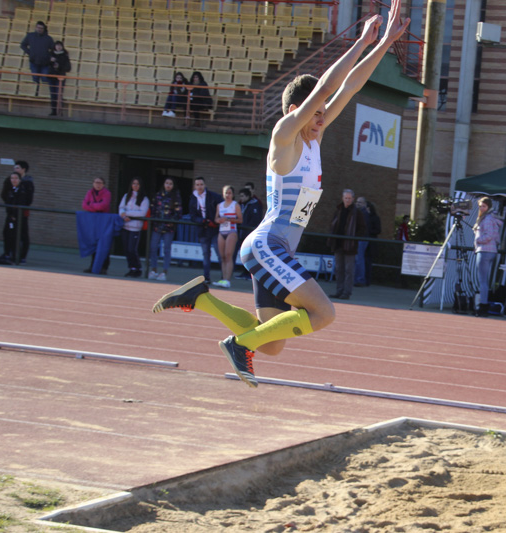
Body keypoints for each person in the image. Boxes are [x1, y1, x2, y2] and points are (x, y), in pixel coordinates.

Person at [152, 3, 410, 388]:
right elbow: (325, 86)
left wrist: (386, 42)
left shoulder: (313, 138)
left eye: (324, 113)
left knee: (271, 344)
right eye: (316, 113)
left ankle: (202, 298)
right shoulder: (285, 136)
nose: (323, 118)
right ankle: (239, 346)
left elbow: (349, 87)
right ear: (296, 110)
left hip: (277, 250)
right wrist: (359, 42)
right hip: (267, 246)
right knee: (323, 314)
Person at [328, 189, 366, 300]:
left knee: (349, 270)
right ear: (342, 198)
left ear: (353, 199)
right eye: (346, 198)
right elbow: (332, 224)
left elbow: (362, 228)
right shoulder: (338, 210)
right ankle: (339, 290)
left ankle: (346, 292)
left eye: (349, 198)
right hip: (338, 244)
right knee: (339, 269)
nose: (348, 200)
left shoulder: (357, 212)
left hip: (350, 246)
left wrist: (353, 239)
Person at [188, 176, 222, 284]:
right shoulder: (193, 198)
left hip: (215, 229)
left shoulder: (214, 196)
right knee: (206, 254)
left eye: (201, 184)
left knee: (219, 252)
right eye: (197, 185)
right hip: (202, 230)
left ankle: (224, 277)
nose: (199, 187)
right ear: (195, 186)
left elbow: (222, 206)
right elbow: (192, 216)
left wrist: (216, 220)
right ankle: (206, 277)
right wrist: (203, 221)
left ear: (205, 185)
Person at [472, 197, 502, 317]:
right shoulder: (491, 218)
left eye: (484, 206)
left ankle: (483, 305)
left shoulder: (487, 219)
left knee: (483, 280)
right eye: (480, 206)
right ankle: (483, 304)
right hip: (490, 250)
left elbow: (489, 235)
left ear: (488, 206)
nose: (481, 208)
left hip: (484, 250)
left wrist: (478, 240)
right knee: (484, 280)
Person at [148, 177, 182, 281]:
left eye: (170, 184)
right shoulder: (158, 195)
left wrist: (172, 221)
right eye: (166, 183)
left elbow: (179, 212)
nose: (168, 185)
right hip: (157, 226)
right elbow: (153, 208)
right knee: (153, 247)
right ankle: (153, 270)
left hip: (169, 228)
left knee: (167, 249)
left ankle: (164, 272)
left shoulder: (176, 196)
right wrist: (154, 220)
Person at [0, 172, 30, 264]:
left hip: (17, 218)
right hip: (10, 216)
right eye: (12, 178)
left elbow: (21, 204)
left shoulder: (22, 191)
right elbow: (7, 202)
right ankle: (7, 254)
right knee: (7, 234)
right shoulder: (10, 190)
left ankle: (16, 256)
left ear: (20, 180)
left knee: (16, 236)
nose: (14, 180)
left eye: (16, 178)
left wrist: (14, 216)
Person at [2, 160, 34, 263]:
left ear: (23, 170)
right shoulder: (9, 180)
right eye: (14, 168)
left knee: (22, 234)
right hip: (11, 212)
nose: (15, 170)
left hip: (22, 213)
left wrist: (18, 207)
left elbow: (28, 200)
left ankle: (21, 256)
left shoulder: (27, 184)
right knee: (8, 232)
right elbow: (4, 194)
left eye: (17, 168)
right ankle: (8, 253)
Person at [118, 177, 149, 278]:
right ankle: (131, 268)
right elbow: (121, 208)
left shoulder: (144, 199)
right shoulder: (126, 196)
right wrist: (123, 214)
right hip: (125, 226)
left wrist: (127, 214)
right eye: (134, 184)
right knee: (126, 249)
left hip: (135, 228)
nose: (135, 186)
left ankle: (138, 268)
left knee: (132, 249)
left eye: (137, 184)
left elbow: (142, 213)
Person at [213, 185, 242, 288]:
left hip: (231, 231)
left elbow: (240, 220)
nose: (228, 195)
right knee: (222, 256)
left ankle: (227, 280)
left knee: (228, 255)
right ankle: (223, 279)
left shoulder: (235, 205)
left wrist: (228, 219)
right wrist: (219, 220)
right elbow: (216, 218)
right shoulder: (219, 205)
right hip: (222, 231)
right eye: (226, 193)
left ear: (233, 194)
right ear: (223, 194)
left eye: (230, 193)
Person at [82, 177, 112, 274]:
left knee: (103, 244)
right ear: (93, 183)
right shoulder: (89, 192)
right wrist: (95, 206)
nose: (98, 184)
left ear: (103, 184)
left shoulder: (107, 193)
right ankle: (93, 266)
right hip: (93, 222)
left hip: (103, 222)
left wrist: (91, 205)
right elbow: (84, 205)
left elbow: (103, 206)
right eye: (96, 182)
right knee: (93, 244)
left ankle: (104, 267)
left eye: (100, 183)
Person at [234, 187, 262, 280]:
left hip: (249, 234)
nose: (241, 198)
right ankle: (243, 272)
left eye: (242, 196)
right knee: (242, 255)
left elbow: (255, 220)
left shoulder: (254, 205)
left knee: (249, 255)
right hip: (241, 234)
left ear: (247, 196)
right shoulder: (241, 205)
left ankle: (249, 274)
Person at [20, 21, 54, 97]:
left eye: (41, 28)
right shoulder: (30, 36)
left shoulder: (48, 39)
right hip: (33, 62)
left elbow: (53, 49)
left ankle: (45, 94)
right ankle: (36, 94)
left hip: (45, 63)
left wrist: (48, 56)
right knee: (35, 79)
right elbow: (23, 45)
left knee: (45, 78)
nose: (39, 29)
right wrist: (30, 52)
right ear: (35, 27)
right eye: (38, 27)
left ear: (44, 29)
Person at [47, 40, 71, 116]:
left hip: (60, 77)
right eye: (57, 45)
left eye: (60, 46)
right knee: (53, 95)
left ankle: (59, 111)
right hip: (51, 77)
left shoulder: (65, 55)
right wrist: (50, 61)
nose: (58, 47)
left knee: (59, 95)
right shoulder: (50, 54)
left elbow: (68, 68)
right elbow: (45, 63)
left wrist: (59, 66)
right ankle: (53, 111)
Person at [353, 196, 371, 287]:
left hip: (361, 239)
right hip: (361, 239)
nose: (357, 203)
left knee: (359, 259)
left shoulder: (364, 214)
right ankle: (357, 279)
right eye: (357, 202)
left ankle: (360, 279)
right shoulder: (361, 213)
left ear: (364, 204)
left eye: (360, 202)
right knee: (358, 259)